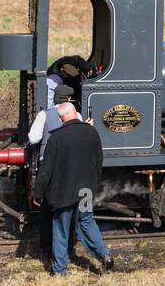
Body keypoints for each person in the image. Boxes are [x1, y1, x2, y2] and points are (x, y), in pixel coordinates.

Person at [33, 99, 114, 276]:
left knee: (61, 229)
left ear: (61, 119)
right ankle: (104, 255)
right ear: (75, 113)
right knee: (86, 222)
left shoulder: (56, 138)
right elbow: (98, 161)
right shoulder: (92, 132)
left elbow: (46, 170)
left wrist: (37, 192)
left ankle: (60, 270)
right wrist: (94, 184)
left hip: (64, 194)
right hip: (85, 191)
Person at [28, 83, 74, 263]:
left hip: (48, 166)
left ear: (55, 98)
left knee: (47, 211)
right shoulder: (74, 114)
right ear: (69, 99)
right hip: (68, 168)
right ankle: (66, 251)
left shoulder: (44, 114)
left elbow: (34, 138)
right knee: (66, 210)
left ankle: (46, 250)